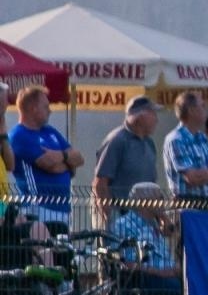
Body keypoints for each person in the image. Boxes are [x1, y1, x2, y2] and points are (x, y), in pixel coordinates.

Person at [109, 182, 181, 295]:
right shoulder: (124, 225)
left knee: (188, 287)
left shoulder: (154, 226)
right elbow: (127, 264)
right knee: (173, 289)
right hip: (136, 278)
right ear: (145, 201)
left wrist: (165, 219)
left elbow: (173, 236)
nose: (163, 202)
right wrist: (165, 273)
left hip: (163, 276)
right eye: (160, 197)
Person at [8, 85, 83, 228]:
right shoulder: (19, 135)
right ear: (33, 108)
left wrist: (61, 156)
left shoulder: (50, 132)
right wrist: (68, 162)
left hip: (63, 208)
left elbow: (79, 158)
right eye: (46, 106)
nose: (50, 111)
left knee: (62, 249)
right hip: (39, 209)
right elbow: (49, 165)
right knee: (44, 250)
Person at [93, 95, 161, 214]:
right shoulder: (117, 140)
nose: (157, 119)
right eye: (153, 114)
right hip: (120, 214)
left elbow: (151, 183)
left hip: (145, 216)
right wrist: (108, 216)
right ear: (139, 116)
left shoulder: (149, 143)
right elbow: (101, 182)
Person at [162, 91, 208, 203]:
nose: (206, 108)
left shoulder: (202, 137)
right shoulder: (176, 139)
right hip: (187, 204)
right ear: (191, 111)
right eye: (202, 105)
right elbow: (192, 178)